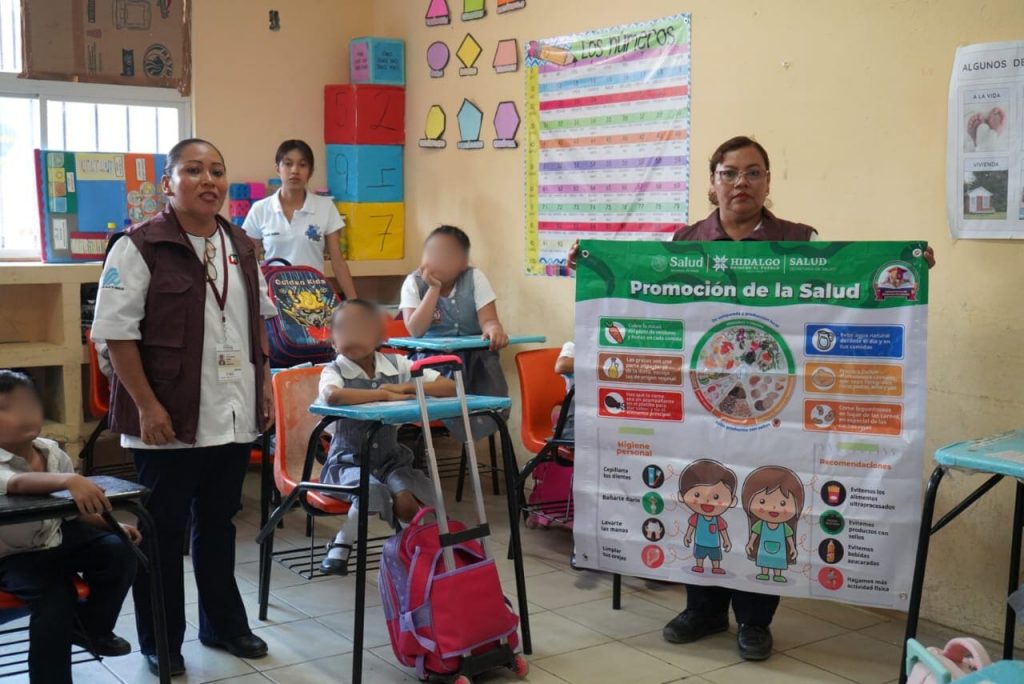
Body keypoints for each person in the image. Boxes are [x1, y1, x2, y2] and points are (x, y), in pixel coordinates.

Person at [567, 135, 935, 661]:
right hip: (701, 406)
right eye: (730, 172)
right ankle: (703, 609)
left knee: (768, 500)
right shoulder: (685, 241)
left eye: (753, 172)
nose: (741, 182)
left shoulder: (798, 240)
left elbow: (844, 288)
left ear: (767, 182)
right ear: (712, 181)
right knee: (700, 490)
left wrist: (909, 267)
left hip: (776, 407)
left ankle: (755, 621)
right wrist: (589, 263)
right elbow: (644, 295)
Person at [92, 138, 278, 677]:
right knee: (164, 532)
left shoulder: (241, 244)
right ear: (168, 183)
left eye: (217, 171)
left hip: (233, 411)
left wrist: (265, 385)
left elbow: (257, 323)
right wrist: (147, 406)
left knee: (219, 522)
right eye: (193, 170)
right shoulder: (140, 245)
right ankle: (160, 639)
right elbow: (116, 335)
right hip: (167, 417)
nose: (208, 180)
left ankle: (223, 625)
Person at [0, 371, 139, 684]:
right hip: (11, 556)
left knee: (120, 549)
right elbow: (17, 483)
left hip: (55, 537)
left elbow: (73, 511)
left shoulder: (51, 452)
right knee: (55, 598)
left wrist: (113, 526)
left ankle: (90, 628)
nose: (21, 415)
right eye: (6, 409)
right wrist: (69, 479)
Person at [317, 300, 455, 574]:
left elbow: (448, 386)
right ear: (333, 341)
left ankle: (410, 549)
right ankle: (342, 543)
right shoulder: (334, 371)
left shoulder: (396, 365)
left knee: (406, 499)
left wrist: (405, 388)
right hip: (350, 460)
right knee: (370, 491)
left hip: (391, 460)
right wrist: (382, 394)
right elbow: (333, 395)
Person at [400, 225, 509, 441]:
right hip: (432, 364)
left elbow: (488, 320)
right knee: (439, 394)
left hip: (476, 362)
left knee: (492, 406)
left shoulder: (475, 278)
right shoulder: (414, 283)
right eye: (431, 254)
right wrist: (433, 289)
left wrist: (494, 330)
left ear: (462, 263)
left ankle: (474, 436)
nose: (437, 261)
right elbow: (415, 329)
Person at [243, 139, 357, 298]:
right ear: (278, 169)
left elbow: (338, 261)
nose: (295, 170)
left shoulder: (325, 207)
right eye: (288, 164)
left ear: (310, 172)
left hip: (314, 298)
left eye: (302, 165)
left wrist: (354, 301)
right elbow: (249, 263)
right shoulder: (260, 209)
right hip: (274, 298)